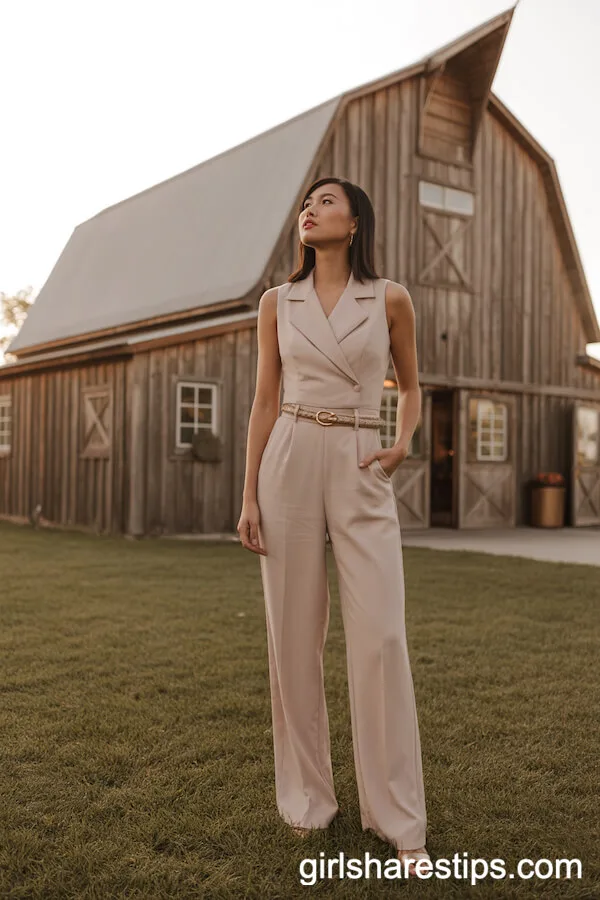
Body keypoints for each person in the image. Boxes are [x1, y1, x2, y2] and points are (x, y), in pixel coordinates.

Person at [237, 176, 430, 878]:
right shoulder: (274, 303)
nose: (309, 211)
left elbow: (410, 386)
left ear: (354, 224)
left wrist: (403, 440)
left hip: (359, 455)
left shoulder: (390, 298)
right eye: (306, 204)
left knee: (380, 636)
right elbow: (263, 400)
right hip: (287, 454)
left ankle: (398, 819)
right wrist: (248, 494)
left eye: (326, 202)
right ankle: (307, 801)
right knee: (291, 636)